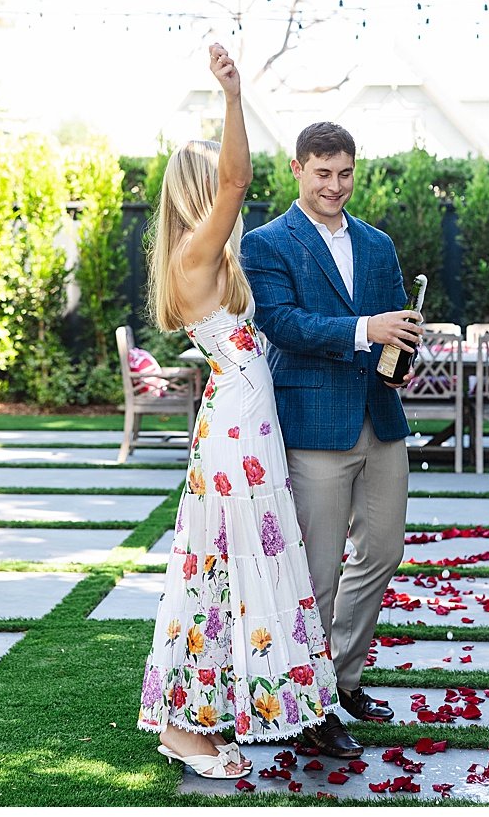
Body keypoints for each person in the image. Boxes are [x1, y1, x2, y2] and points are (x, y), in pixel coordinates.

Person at [137, 45, 340, 779]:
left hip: (244, 420)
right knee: (212, 573)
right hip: (235, 433)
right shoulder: (197, 254)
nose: (235, 200)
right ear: (200, 190)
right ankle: (182, 730)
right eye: (219, 190)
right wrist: (232, 97)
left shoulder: (207, 261)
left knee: (222, 571)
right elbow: (239, 175)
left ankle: (202, 717)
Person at [240, 120, 422, 756]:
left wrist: (402, 344)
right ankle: (309, 707)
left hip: (381, 419)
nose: (335, 186)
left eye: (344, 173)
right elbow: (285, 325)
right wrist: (364, 328)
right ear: (296, 170)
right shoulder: (267, 243)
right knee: (317, 571)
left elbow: (396, 323)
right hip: (314, 424)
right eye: (322, 173)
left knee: (383, 554)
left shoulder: (378, 244)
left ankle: (341, 678)